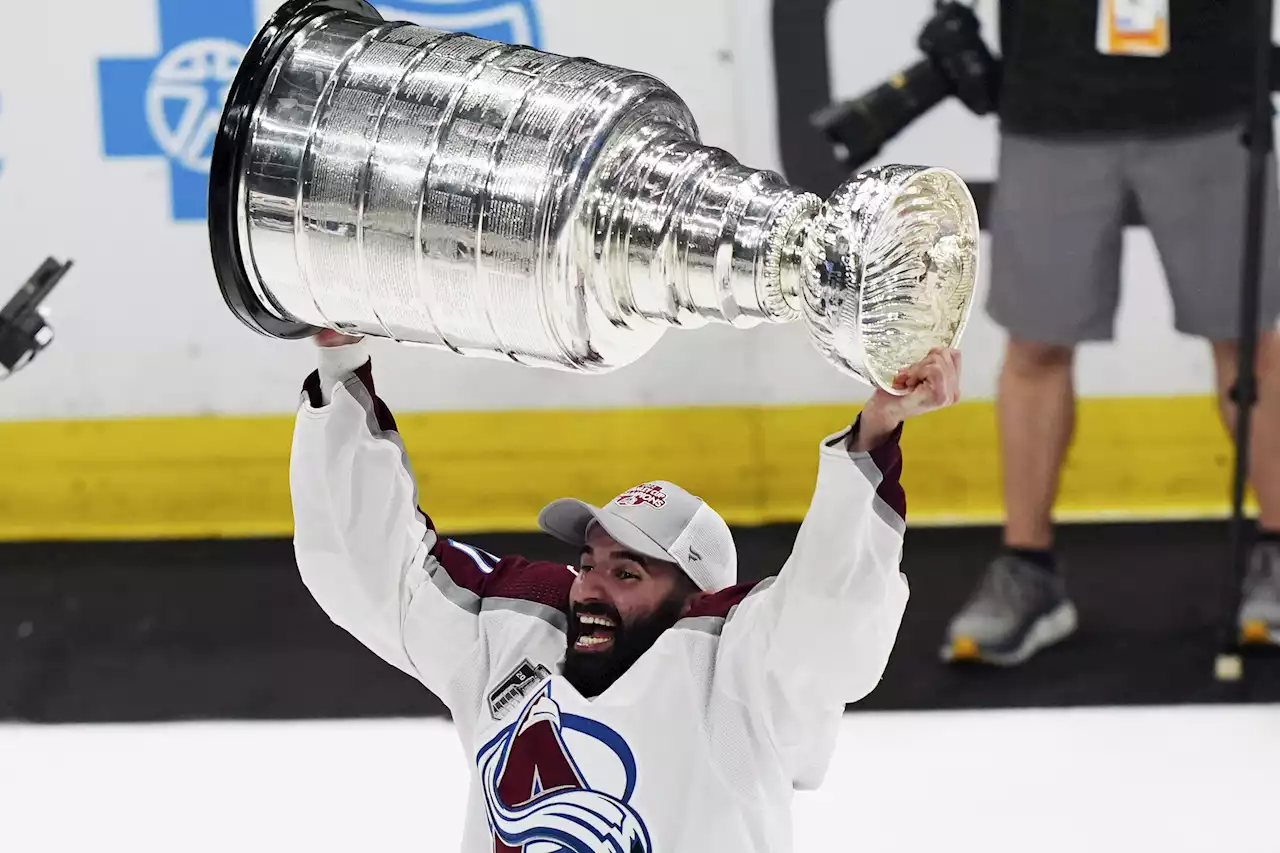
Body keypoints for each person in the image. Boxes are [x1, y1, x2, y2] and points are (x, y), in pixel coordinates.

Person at [290, 329, 961, 852]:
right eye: (589, 560)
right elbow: (377, 566)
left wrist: (875, 430)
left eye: (628, 572)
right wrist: (340, 361)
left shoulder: (740, 676)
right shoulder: (518, 632)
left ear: (693, 600)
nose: (590, 587)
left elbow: (829, 612)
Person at [943, 0, 1280, 665]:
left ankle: (1276, 548)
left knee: (1247, 345)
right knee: (1035, 343)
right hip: (1051, 98)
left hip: (1211, 94)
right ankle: (1028, 566)